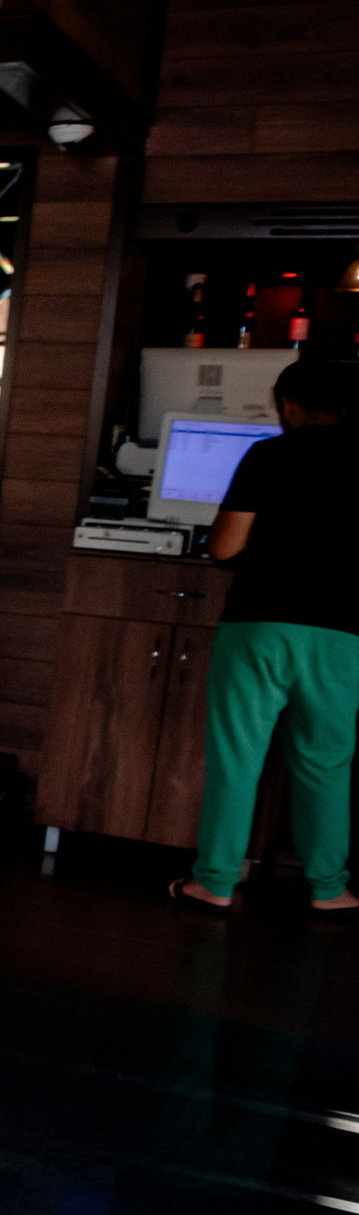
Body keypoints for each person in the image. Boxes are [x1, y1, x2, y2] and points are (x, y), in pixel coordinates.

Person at [174, 358, 359, 917]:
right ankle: (330, 889)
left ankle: (215, 882)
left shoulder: (268, 455)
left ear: (288, 405)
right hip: (341, 635)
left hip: (260, 624)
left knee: (237, 759)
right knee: (325, 764)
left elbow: (226, 548)